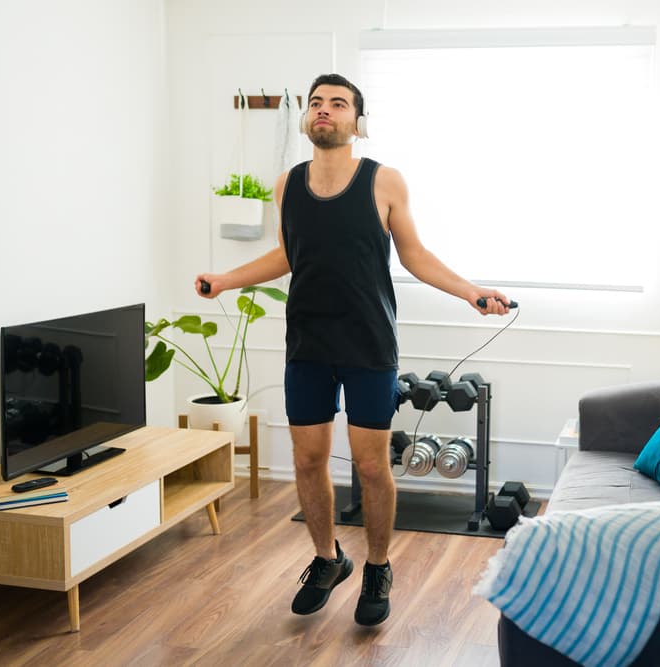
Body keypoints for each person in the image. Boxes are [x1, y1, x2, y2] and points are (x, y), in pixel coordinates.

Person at [196, 73, 512, 627]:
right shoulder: (286, 183)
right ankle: (326, 559)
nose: (324, 110)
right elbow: (288, 255)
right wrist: (227, 279)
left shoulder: (384, 181)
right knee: (308, 459)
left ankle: (377, 566)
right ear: (307, 118)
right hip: (308, 345)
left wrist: (470, 290)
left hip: (369, 343)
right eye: (317, 103)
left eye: (338, 104)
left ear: (357, 124)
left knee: (370, 465)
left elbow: (414, 254)